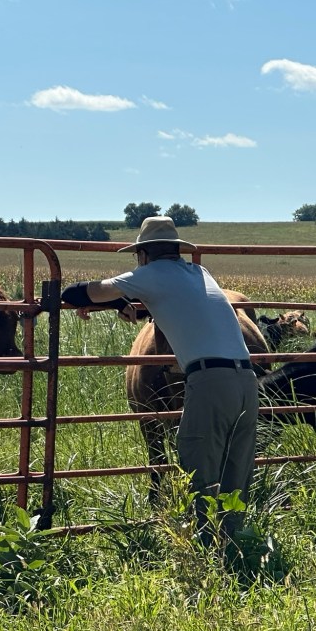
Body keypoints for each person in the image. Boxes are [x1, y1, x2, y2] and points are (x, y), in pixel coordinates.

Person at [60, 216, 259, 546]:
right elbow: (180, 308)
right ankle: (236, 544)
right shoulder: (199, 273)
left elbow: (85, 292)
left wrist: (96, 298)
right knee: (234, 468)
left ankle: (206, 549)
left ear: (143, 254)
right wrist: (132, 306)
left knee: (196, 458)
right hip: (247, 381)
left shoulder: (150, 274)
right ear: (177, 250)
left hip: (209, 380)